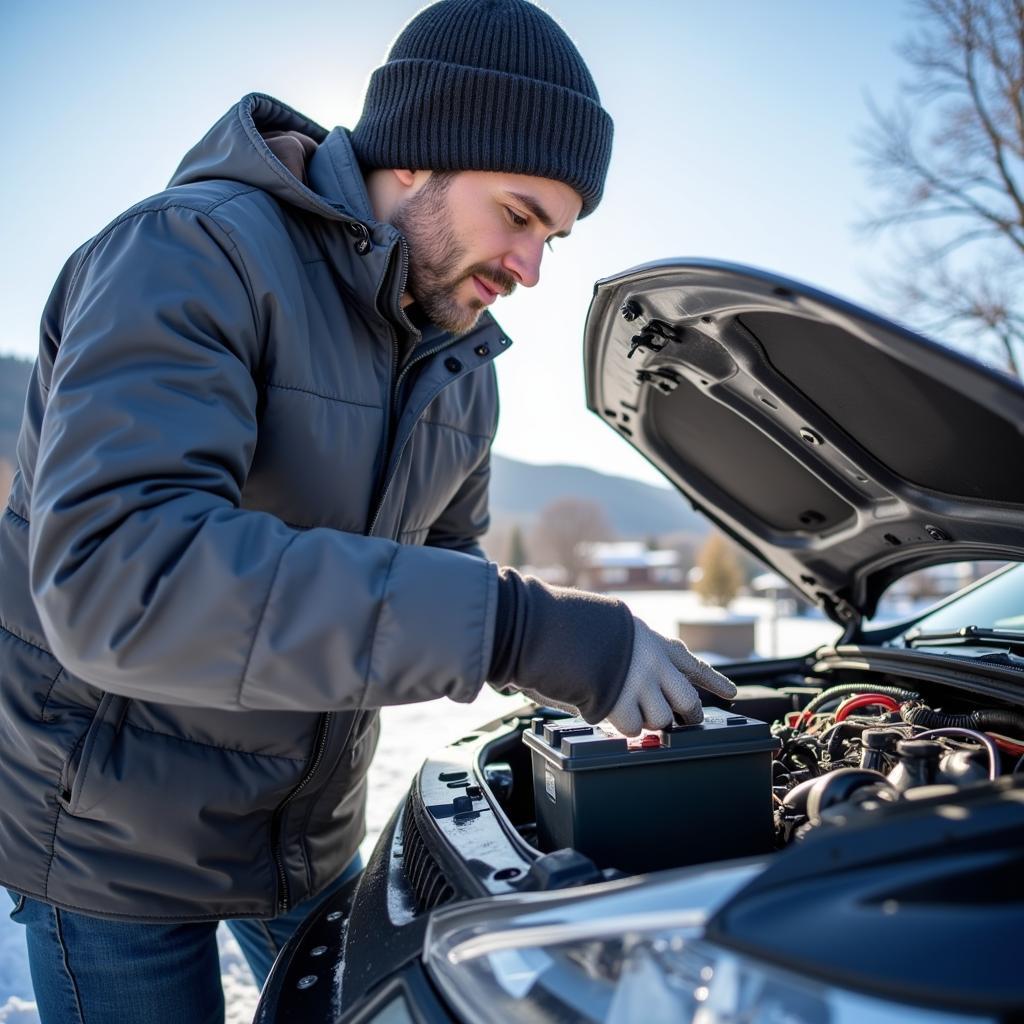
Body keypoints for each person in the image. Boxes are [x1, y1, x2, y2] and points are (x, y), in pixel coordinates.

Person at [0, 1, 736, 1020]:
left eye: (553, 239)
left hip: (305, 836)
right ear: (417, 154)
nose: (531, 268)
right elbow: (121, 578)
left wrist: (573, 640)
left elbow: (443, 582)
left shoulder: (462, 367)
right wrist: (523, 627)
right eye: (519, 216)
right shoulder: (190, 252)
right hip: (112, 836)